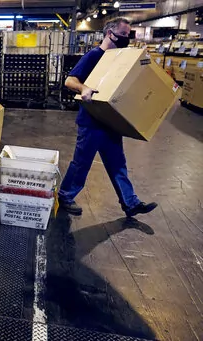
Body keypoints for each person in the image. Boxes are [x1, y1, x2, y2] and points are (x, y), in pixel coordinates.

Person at [59, 17, 157, 217]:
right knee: (82, 162)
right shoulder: (94, 55)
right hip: (92, 122)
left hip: (112, 122)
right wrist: (84, 87)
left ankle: (130, 203)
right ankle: (65, 196)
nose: (126, 39)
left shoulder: (120, 58)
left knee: (117, 164)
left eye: (128, 35)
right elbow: (70, 81)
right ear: (109, 33)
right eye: (123, 35)